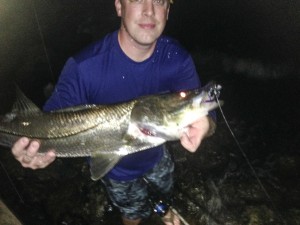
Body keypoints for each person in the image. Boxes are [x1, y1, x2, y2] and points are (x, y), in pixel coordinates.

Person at [11, 0, 215, 224]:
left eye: (159, 1)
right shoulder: (83, 68)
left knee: (164, 193)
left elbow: (202, 112)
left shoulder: (177, 58)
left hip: (157, 157)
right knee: (131, 213)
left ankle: (163, 210)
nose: (149, 11)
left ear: (168, 10)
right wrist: (33, 151)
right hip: (117, 173)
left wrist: (206, 124)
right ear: (119, 6)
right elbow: (45, 124)